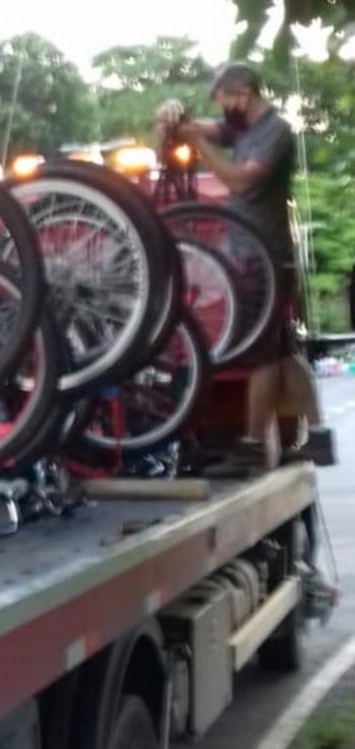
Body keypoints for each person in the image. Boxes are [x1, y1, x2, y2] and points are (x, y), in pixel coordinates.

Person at [157, 62, 334, 474]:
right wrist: (174, 116)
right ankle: (320, 439)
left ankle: (254, 446)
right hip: (257, 253)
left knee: (261, 357)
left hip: (263, 257)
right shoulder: (242, 130)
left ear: (243, 92)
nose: (221, 109)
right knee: (284, 352)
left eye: (222, 99)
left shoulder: (274, 131)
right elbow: (200, 129)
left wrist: (200, 148)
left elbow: (240, 182)